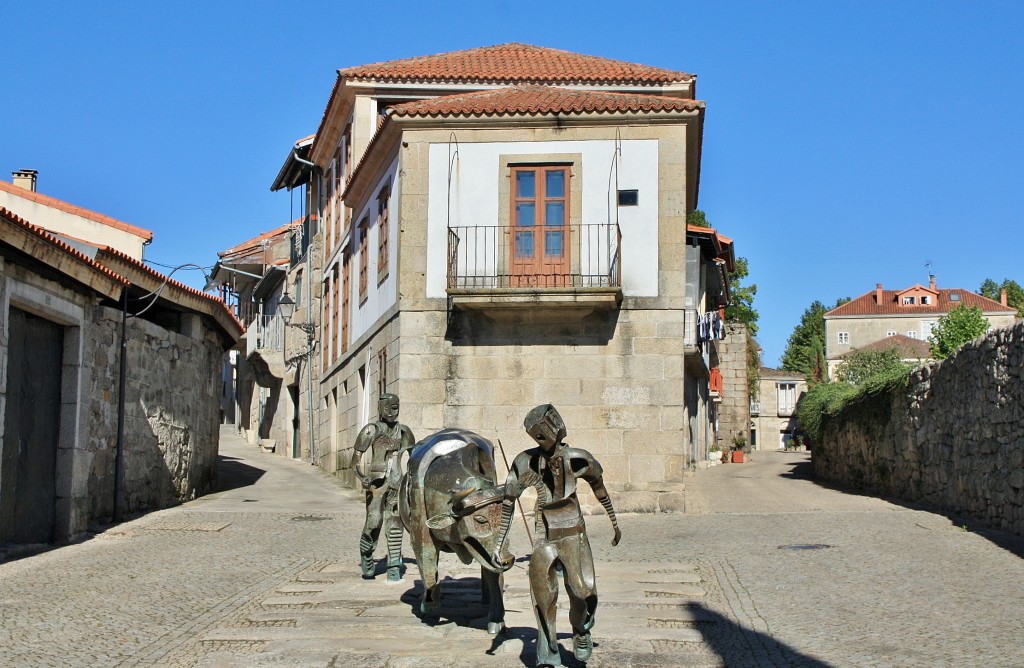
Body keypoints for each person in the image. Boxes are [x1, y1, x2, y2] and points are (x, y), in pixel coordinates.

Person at [494, 404, 621, 666]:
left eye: (544, 431)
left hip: (574, 532)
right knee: (543, 595)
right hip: (543, 534)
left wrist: (614, 521)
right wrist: (499, 545)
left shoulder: (579, 458)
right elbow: (508, 501)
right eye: (536, 434)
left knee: (584, 592)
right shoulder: (524, 461)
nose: (541, 439)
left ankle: (581, 629)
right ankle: (547, 653)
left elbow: (600, 488)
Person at [350, 393, 415, 581]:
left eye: (395, 407)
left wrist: (411, 480)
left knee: (395, 522)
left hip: (397, 481)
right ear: (380, 408)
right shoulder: (371, 430)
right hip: (376, 483)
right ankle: (367, 552)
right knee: (374, 520)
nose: (392, 412)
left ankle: (394, 564)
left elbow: (414, 458)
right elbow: (354, 462)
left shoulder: (404, 432)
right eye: (387, 408)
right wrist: (362, 477)